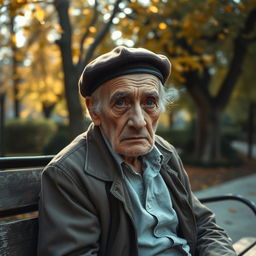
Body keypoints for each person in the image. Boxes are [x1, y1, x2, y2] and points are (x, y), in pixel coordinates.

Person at [37, 46, 236, 256]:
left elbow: (204, 225)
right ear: (94, 110)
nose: (139, 121)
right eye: (121, 103)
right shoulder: (68, 174)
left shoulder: (164, 153)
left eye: (149, 102)